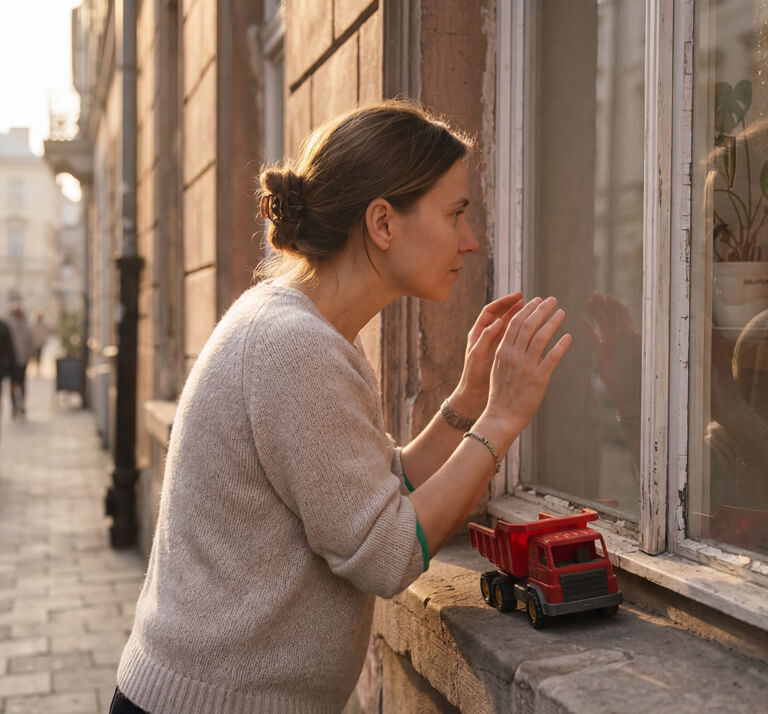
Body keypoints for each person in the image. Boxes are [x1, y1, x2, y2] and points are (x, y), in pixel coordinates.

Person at [111, 101, 571, 714]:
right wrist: (502, 420)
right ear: (383, 223)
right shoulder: (293, 347)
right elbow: (386, 553)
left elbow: (378, 486)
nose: (470, 240)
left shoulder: (302, 329)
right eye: (456, 213)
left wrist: (469, 398)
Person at [7, 305, 33, 419]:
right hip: (14, 360)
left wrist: (29, 356)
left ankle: (20, 404)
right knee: (15, 383)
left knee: (20, 382)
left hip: (21, 359)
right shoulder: (10, 326)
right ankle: (15, 405)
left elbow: (29, 343)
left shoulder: (25, 326)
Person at [30, 308, 48, 375]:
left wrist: (44, 341)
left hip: (40, 342)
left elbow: (45, 333)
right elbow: (32, 332)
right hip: (35, 342)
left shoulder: (44, 324)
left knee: (39, 356)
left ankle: (38, 368)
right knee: (36, 356)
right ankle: (37, 367)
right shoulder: (33, 323)